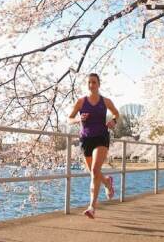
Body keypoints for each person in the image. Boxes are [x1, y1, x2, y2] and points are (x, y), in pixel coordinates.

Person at [68, 73, 120, 219]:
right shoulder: (80, 102)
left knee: (95, 170)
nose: (91, 85)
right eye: (89, 82)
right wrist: (78, 119)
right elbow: (69, 118)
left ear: (99, 84)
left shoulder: (105, 101)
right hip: (86, 139)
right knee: (93, 172)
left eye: (94, 82)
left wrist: (113, 122)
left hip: (101, 138)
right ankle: (107, 182)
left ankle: (92, 207)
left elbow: (116, 113)